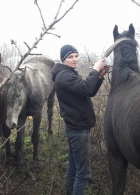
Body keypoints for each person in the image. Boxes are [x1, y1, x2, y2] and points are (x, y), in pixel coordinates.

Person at [51, 44, 109, 195]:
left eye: (76, 56)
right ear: (63, 59)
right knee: (83, 174)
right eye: (70, 57)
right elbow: (86, 88)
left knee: (73, 168)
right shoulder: (64, 76)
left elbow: (88, 92)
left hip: (76, 128)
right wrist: (95, 70)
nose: (75, 59)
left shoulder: (68, 73)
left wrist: (100, 76)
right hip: (78, 131)